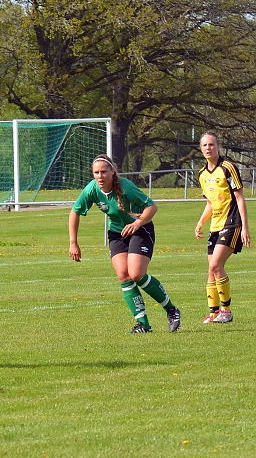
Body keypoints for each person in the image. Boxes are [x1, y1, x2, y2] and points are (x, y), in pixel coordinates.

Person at [69, 154, 181, 333]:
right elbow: (75, 212)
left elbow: (151, 207)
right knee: (124, 275)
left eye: (104, 171)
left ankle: (172, 310)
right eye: (96, 172)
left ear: (113, 171)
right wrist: (73, 242)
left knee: (136, 274)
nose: (100, 176)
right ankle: (143, 325)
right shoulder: (92, 189)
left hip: (141, 230)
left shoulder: (126, 187)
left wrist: (136, 223)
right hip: (117, 233)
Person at [195, 132, 251, 322]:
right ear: (200, 149)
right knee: (211, 270)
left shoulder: (228, 168)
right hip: (215, 225)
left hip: (232, 222)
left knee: (215, 264)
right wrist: (201, 222)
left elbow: (240, 198)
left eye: (211, 144)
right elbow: (210, 203)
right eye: (205, 145)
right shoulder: (202, 174)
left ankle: (226, 311)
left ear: (218, 147)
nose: (208, 148)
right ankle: (214, 313)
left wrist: (244, 227)